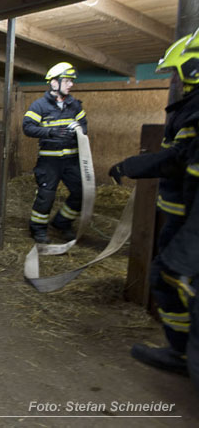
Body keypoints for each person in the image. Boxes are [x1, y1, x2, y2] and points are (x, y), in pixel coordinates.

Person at [107, 29, 199, 384]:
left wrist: (131, 166)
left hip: (190, 226)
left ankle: (186, 355)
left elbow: (177, 159)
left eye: (175, 73)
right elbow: (179, 159)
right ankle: (181, 352)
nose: (173, 81)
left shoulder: (194, 112)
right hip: (182, 219)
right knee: (166, 278)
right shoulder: (190, 111)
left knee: (174, 279)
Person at [22, 62, 87, 244]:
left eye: (71, 81)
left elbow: (84, 126)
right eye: (67, 81)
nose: (71, 84)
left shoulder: (75, 106)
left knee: (81, 193)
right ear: (54, 83)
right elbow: (27, 127)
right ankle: (38, 229)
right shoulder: (39, 106)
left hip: (71, 160)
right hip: (49, 162)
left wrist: (77, 130)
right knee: (46, 196)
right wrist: (50, 132)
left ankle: (62, 222)